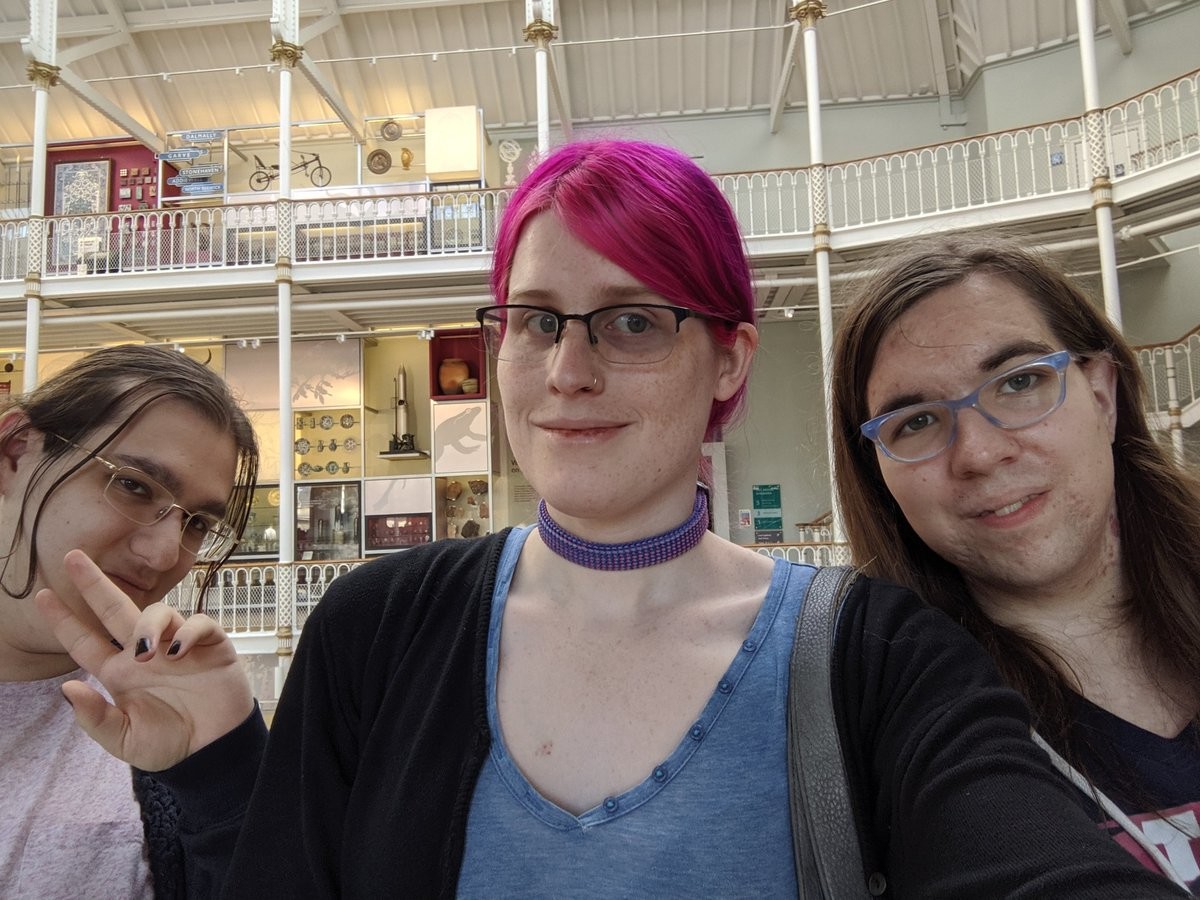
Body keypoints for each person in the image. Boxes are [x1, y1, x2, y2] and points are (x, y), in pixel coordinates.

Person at [41, 143, 1189, 899]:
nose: (569, 369)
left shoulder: (873, 654)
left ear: (729, 359)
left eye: (632, 321)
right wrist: (225, 770)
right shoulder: (377, 627)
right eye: (536, 321)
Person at [831, 232, 1200, 893]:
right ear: (879, 474)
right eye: (914, 422)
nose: (977, 452)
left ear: (1102, 395)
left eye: (1021, 382)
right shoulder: (883, 714)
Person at [1, 345, 266, 897]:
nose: (165, 553)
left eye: (196, 524)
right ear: (13, 453)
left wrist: (225, 777)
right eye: (134, 485)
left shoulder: (166, 724)